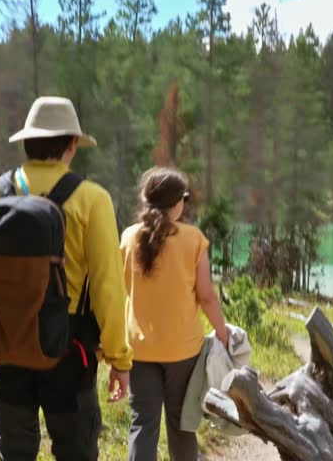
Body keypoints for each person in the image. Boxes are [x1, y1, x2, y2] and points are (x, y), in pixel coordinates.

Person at [0, 97, 133, 460]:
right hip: (70, 353)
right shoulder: (92, 199)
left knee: (15, 452)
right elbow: (107, 288)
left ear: (27, 142)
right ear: (71, 145)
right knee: (75, 452)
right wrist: (119, 359)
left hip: (8, 346)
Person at [120, 167, 229, 461]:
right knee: (182, 427)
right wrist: (222, 331)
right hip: (184, 350)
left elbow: (121, 291)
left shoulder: (129, 237)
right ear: (178, 202)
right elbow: (206, 296)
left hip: (139, 349)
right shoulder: (193, 239)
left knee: (142, 424)